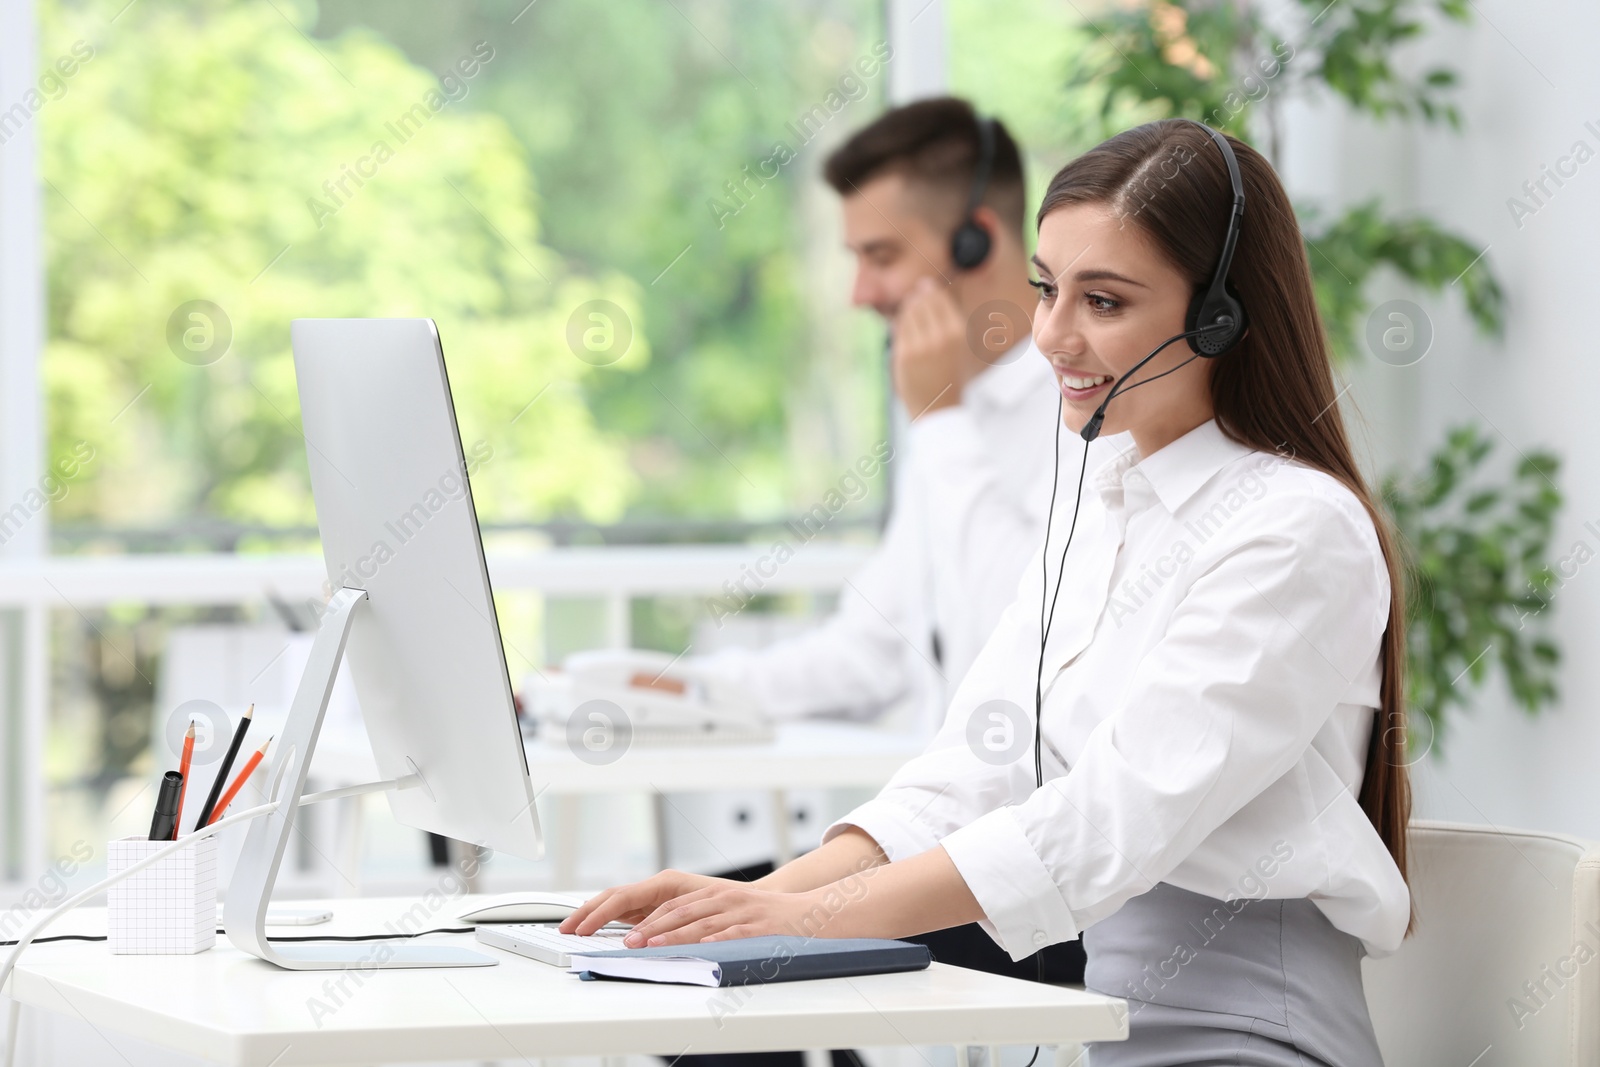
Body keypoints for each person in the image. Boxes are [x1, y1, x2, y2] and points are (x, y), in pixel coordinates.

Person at [564, 118, 1414, 1067]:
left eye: (1103, 300)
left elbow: (1109, 819)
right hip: (1095, 1018)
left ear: (1219, 315)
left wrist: (805, 914)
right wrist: (753, 903)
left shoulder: (1295, 529)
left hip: (1243, 1032)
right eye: (1049, 290)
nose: (1050, 334)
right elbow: (975, 765)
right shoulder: (1103, 497)